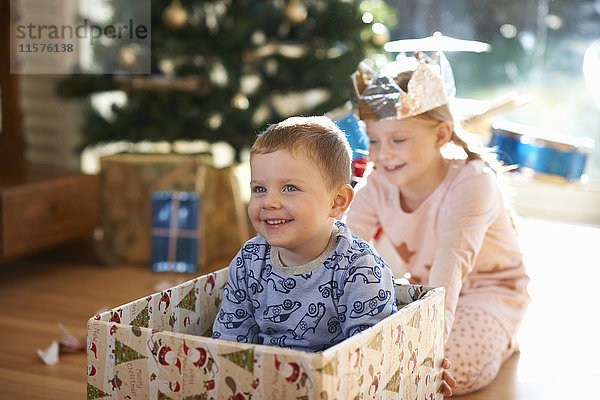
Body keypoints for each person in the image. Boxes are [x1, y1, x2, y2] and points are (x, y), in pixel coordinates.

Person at [345, 54, 530, 395]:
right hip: (427, 293)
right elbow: (342, 252)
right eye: (373, 140)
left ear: (441, 134)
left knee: (443, 369)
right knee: (371, 350)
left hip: (487, 295)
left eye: (398, 140)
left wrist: (427, 352)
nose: (383, 154)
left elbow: (449, 271)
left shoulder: (473, 183)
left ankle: (503, 339)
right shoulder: (377, 183)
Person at [212, 116, 397, 352]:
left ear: (337, 202)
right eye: (259, 189)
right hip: (261, 382)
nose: (268, 201)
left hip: (335, 384)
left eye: (290, 188)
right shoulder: (249, 260)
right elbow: (228, 343)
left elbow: (372, 356)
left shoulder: (359, 268)